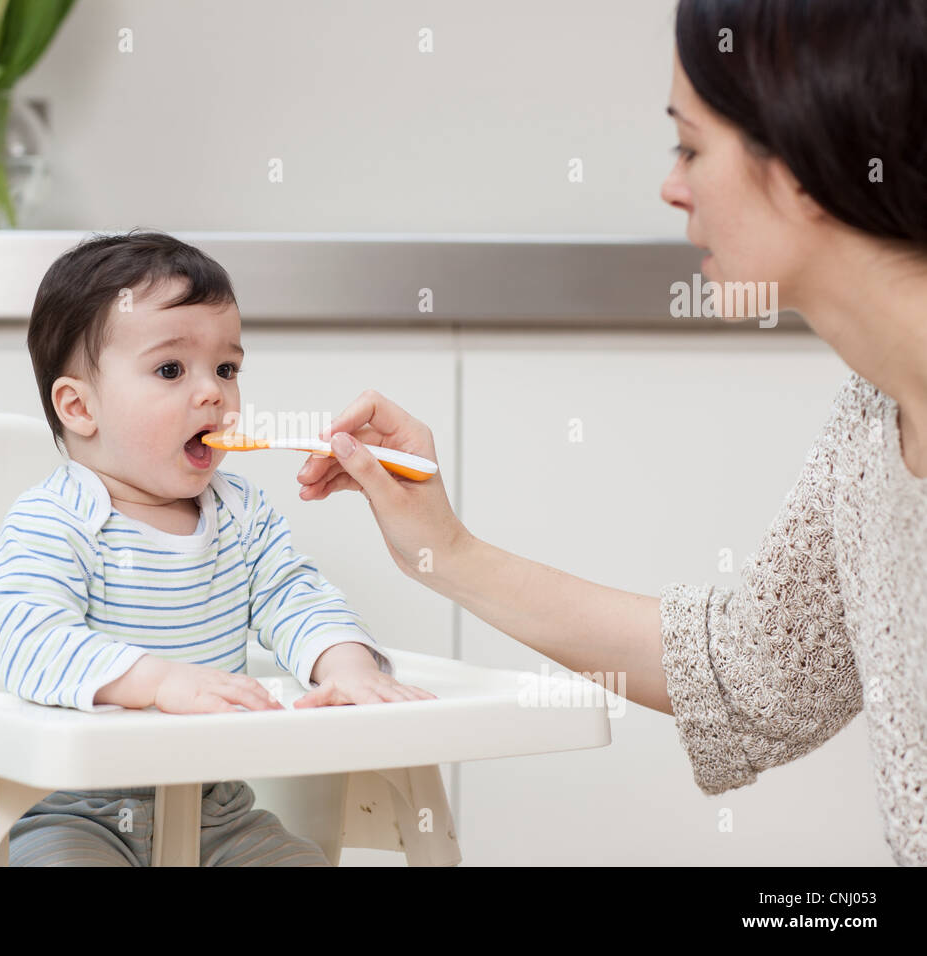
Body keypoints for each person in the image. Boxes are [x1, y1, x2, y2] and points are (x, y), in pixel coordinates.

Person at [295, 0, 927, 866]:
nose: (672, 186)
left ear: (807, 156)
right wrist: (444, 549)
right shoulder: (873, 417)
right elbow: (755, 673)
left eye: (692, 147)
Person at [0, 229, 436, 866]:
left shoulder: (240, 516)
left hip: (215, 813)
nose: (213, 394)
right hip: (73, 809)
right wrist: (156, 681)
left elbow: (295, 596)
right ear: (79, 407)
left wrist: (346, 666)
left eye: (226, 368)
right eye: (171, 370)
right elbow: (26, 637)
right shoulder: (55, 519)